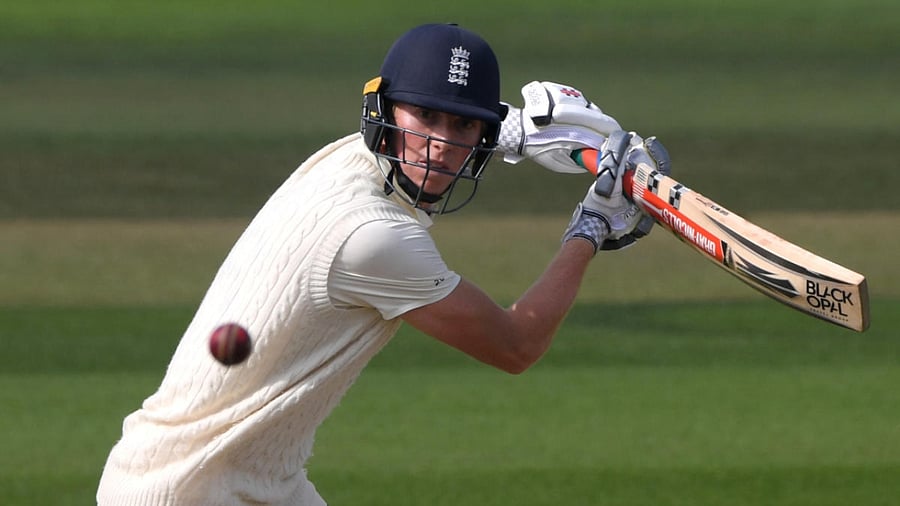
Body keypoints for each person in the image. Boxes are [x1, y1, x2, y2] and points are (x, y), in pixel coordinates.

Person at [96, 23, 670, 505]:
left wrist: (522, 130)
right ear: (384, 109)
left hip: (254, 478)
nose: (441, 145)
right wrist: (590, 226)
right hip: (190, 490)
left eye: (464, 125)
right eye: (426, 115)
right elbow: (516, 345)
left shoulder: (348, 155)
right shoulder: (373, 238)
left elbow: (437, 136)